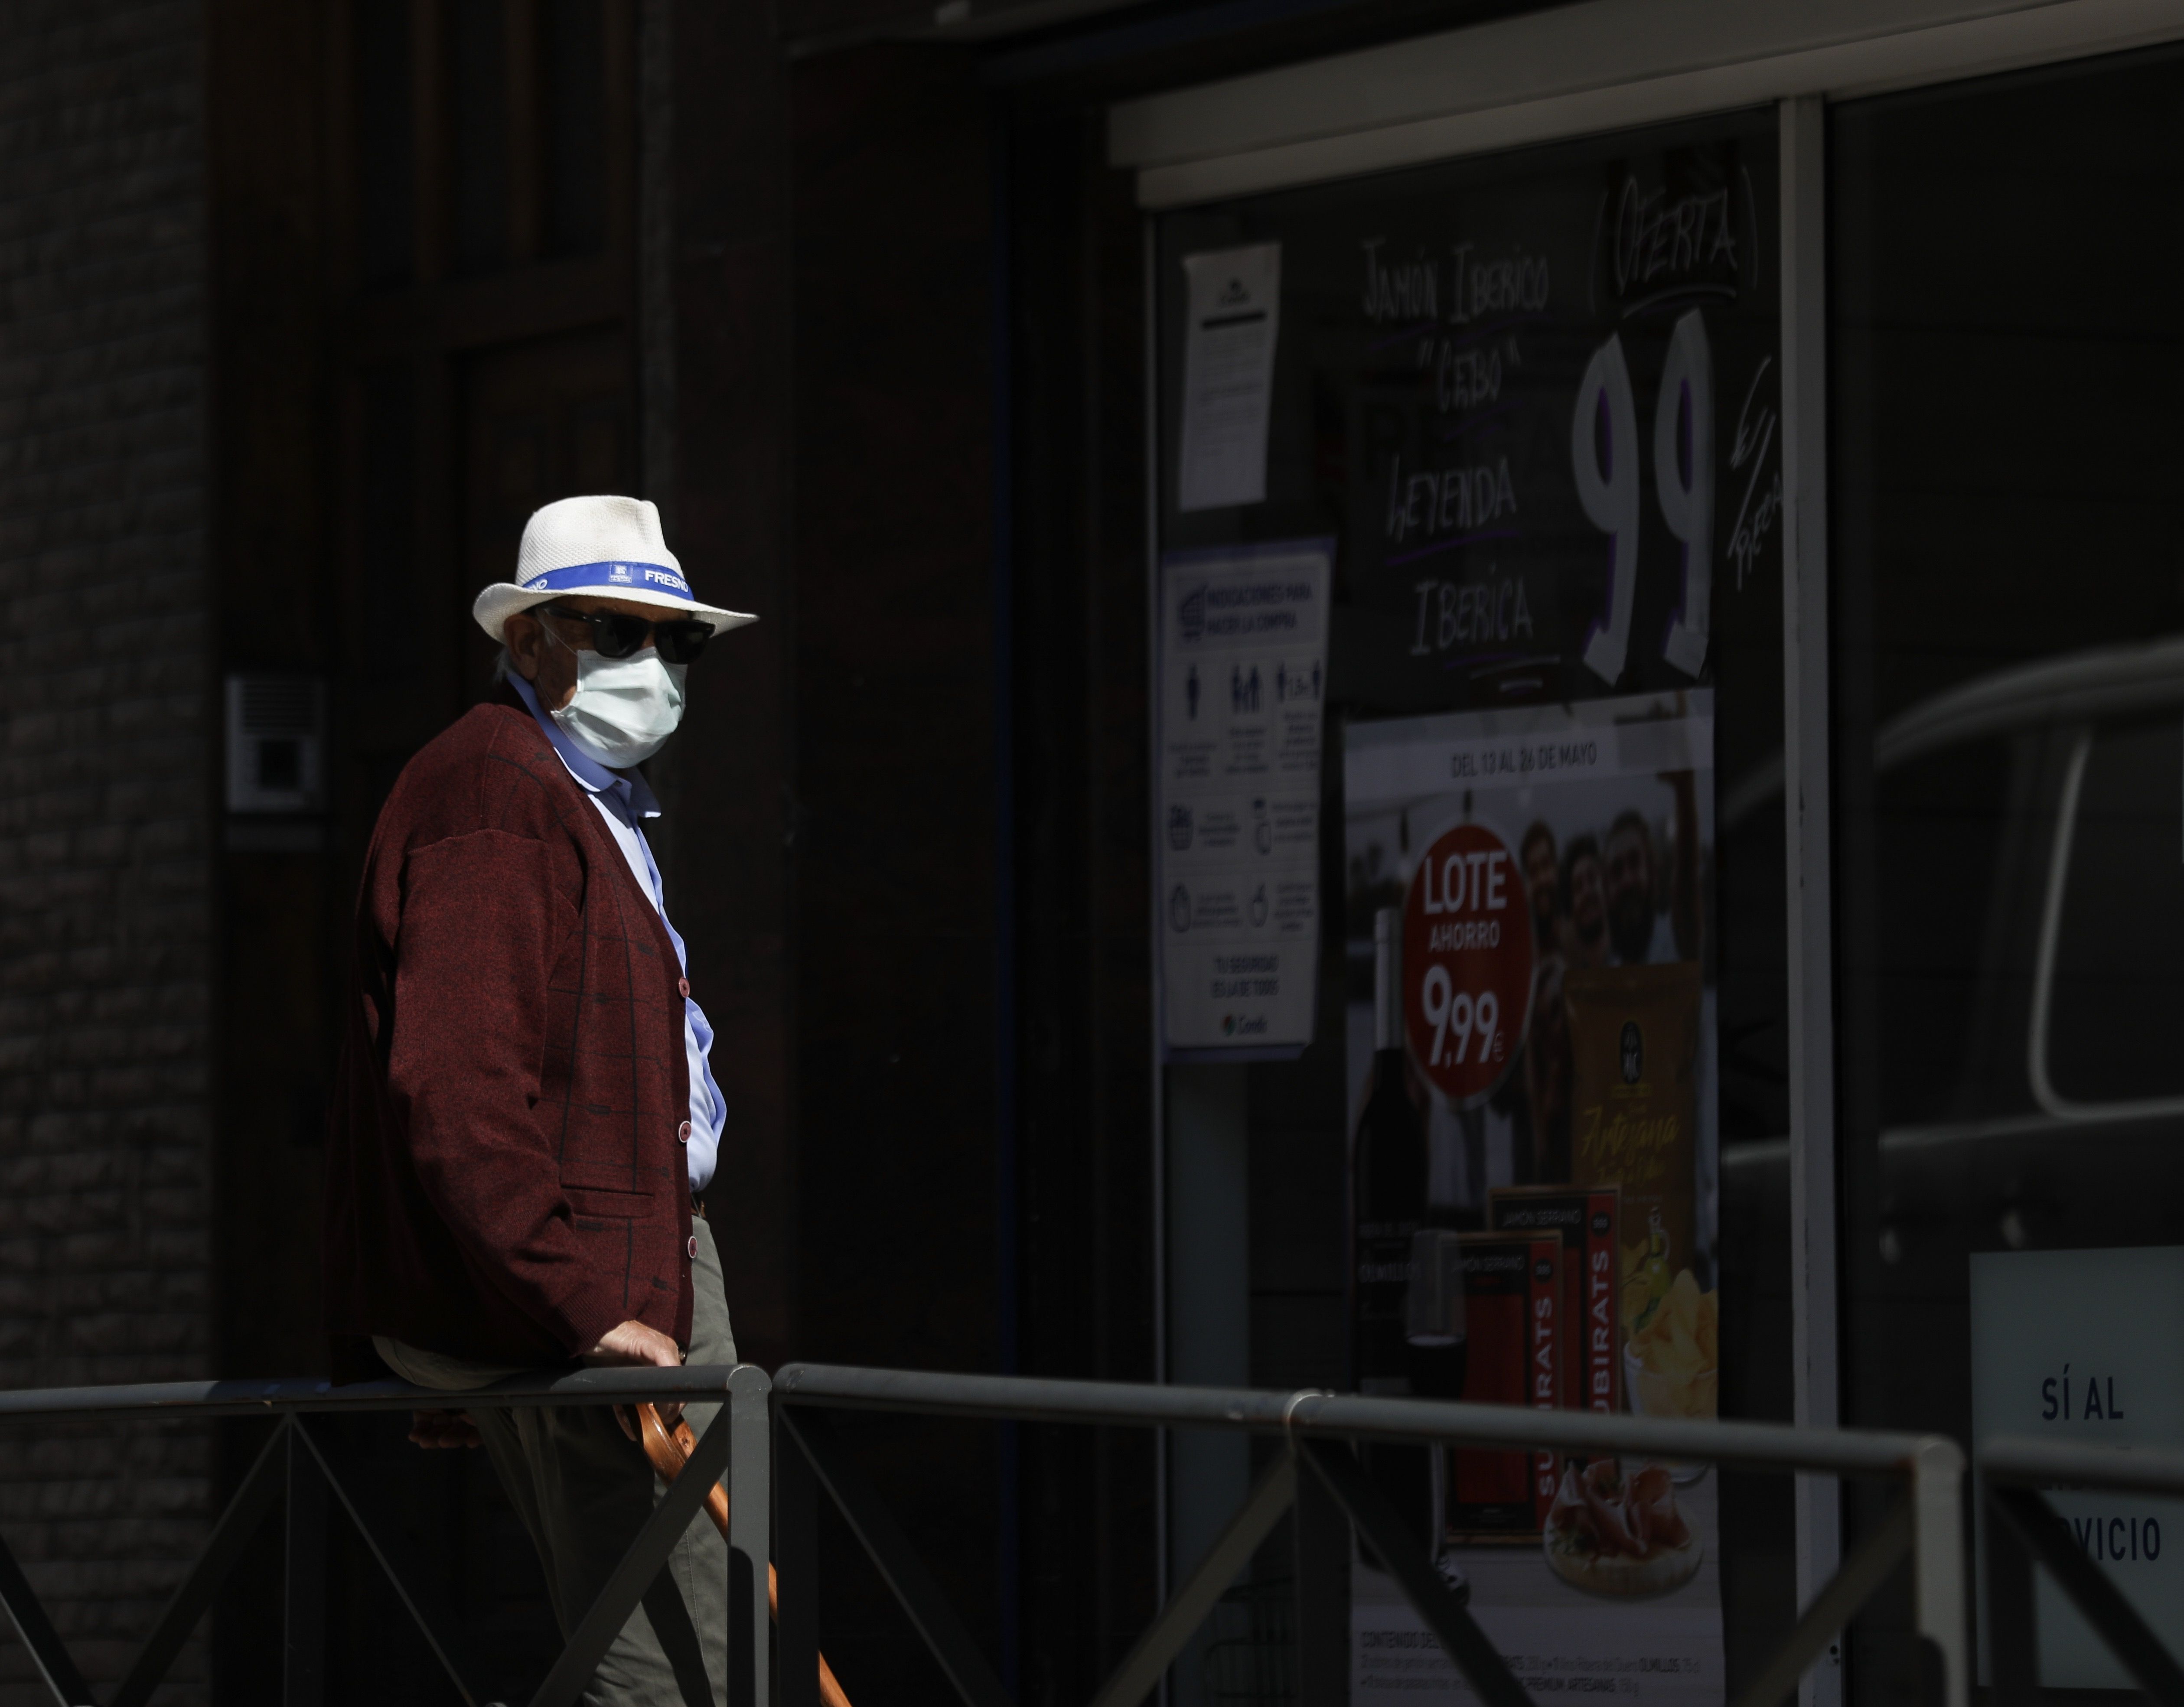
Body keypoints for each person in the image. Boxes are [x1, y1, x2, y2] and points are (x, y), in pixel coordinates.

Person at [323, 495, 757, 1704]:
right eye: (616, 634)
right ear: (529, 643)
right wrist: (564, 1299)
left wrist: (493, 1303)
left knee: (680, 1635)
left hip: (584, 1278)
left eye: (679, 642)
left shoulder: (559, 792)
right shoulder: (499, 794)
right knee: (689, 1665)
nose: (655, 669)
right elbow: (456, 1093)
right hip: (599, 1287)